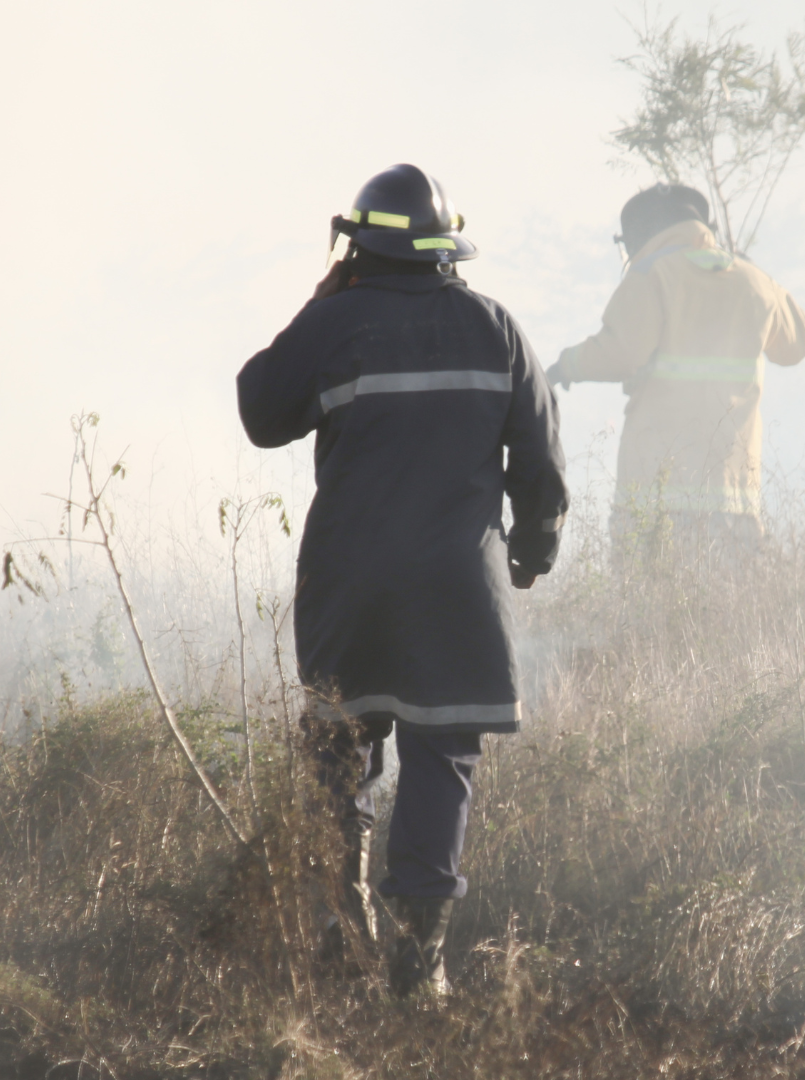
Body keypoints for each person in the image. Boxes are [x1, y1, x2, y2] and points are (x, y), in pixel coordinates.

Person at [236, 163, 567, 997]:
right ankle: (420, 966)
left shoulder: (338, 321)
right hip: (457, 590)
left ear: (357, 247)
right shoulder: (497, 330)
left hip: (351, 587)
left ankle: (341, 934)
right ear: (447, 248)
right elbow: (541, 463)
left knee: (340, 748)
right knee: (441, 758)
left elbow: (260, 412)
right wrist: (531, 551)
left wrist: (319, 304)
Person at [544, 184, 805, 553]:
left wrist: (565, 366)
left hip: (657, 496)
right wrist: (760, 275)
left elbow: (621, 352)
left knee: (646, 608)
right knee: (731, 610)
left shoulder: (651, 275)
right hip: (734, 499)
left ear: (641, 234)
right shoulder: (752, 281)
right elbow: (796, 345)